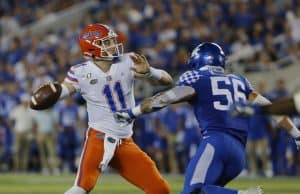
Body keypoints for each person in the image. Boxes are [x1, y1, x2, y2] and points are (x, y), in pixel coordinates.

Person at [114, 42, 300, 194]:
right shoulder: (239, 80)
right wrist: (296, 134)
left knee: (192, 192)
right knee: (205, 191)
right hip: (238, 155)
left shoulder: (195, 77)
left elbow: (167, 98)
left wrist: (133, 112)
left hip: (216, 143)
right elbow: (270, 108)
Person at [31, 24, 172, 194]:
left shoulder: (128, 61)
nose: (114, 45)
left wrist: (149, 72)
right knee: (83, 187)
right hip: (99, 138)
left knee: (160, 189)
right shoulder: (80, 72)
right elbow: (62, 91)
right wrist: (50, 94)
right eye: (107, 42)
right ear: (92, 47)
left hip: (125, 142)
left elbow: (167, 80)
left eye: (112, 40)